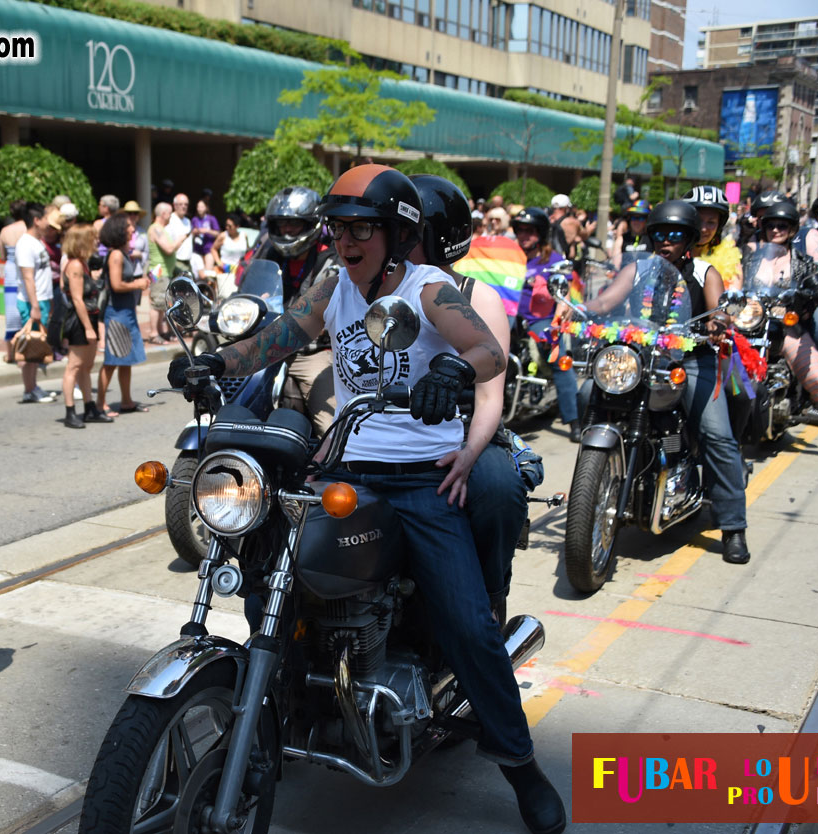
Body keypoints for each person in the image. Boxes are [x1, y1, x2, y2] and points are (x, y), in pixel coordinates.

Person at [170, 164, 565, 834]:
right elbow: (283, 336)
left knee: (469, 627)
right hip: (349, 467)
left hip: (420, 479)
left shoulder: (431, 290)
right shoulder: (332, 284)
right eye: (339, 228)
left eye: (360, 229)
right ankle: (283, 698)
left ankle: (520, 765)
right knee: (273, 569)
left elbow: (489, 357)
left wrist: (449, 368)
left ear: (393, 234)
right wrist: (219, 361)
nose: (345, 241)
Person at [586, 200, 754, 561]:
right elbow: (607, 301)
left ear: (689, 238)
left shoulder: (705, 271)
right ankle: (593, 482)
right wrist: (579, 307)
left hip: (691, 358)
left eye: (675, 234)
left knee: (716, 434)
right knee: (591, 388)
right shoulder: (638, 268)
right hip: (640, 355)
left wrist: (717, 321)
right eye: (660, 233)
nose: (666, 241)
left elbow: (720, 308)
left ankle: (733, 527)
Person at [410, 174, 529, 625]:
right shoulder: (372, 292)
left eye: (408, 233)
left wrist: (468, 455)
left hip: (463, 431)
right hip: (390, 428)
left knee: (498, 490)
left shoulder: (479, 298)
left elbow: (489, 397)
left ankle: (489, 601)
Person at [753, 201, 818, 466]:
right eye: (771, 225)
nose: (776, 230)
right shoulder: (750, 255)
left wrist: (816, 290)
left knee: (817, 380)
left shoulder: (803, 259)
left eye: (783, 226)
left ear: (792, 230)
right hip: (751, 327)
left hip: (787, 327)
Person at [242, 186, 339, 437]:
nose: (286, 230)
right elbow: (247, 285)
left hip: (311, 351)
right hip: (269, 345)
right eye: (281, 224)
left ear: (311, 224)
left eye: (293, 224)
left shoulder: (331, 257)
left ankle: (340, 459)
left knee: (332, 422)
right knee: (228, 394)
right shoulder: (268, 252)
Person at [511, 207, 581, 438]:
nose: (524, 236)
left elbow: (565, 296)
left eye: (529, 231)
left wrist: (556, 324)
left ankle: (573, 419)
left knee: (558, 357)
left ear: (540, 233)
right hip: (507, 318)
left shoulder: (554, 260)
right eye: (520, 230)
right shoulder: (510, 257)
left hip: (539, 321)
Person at [95, 215, 150, 416]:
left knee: (125, 360)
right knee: (112, 361)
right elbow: (116, 285)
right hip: (117, 314)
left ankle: (126, 401)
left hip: (126, 312)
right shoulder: (116, 255)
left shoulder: (123, 253)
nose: (132, 228)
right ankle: (100, 404)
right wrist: (138, 284)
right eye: (128, 226)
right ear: (119, 230)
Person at [60, 224, 110, 429]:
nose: (96, 241)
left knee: (86, 367)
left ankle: (89, 408)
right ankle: (70, 411)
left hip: (88, 317)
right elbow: (78, 300)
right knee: (73, 367)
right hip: (80, 321)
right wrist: (89, 328)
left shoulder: (82, 264)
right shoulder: (75, 266)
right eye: (93, 238)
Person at [15, 204, 58, 403]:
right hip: (32, 301)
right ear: (36, 220)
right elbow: (27, 277)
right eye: (45, 219)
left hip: (41, 300)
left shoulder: (36, 242)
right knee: (31, 344)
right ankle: (29, 389)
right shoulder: (25, 244)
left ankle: (33, 387)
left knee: (37, 345)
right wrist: (34, 306)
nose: (48, 223)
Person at [686, 186, 741, 290]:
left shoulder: (730, 259)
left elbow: (733, 297)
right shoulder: (675, 253)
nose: (703, 229)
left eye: (711, 222)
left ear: (719, 226)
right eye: (698, 220)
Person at [147, 202, 182, 344]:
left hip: (163, 271)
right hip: (158, 271)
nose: (171, 216)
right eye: (169, 213)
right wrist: (180, 240)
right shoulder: (156, 229)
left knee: (163, 303)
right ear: (163, 214)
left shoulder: (160, 228)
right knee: (157, 302)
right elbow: (168, 249)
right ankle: (154, 334)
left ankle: (161, 332)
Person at [0, 200, 28, 362]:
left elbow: (2, 256)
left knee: (11, 313)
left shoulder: (5, 231)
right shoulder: (28, 229)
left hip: (10, 271)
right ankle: (26, 349)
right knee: (26, 308)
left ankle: (10, 353)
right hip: (25, 270)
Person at [611, 199, 652, 267]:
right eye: (634, 218)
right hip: (627, 275)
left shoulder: (652, 238)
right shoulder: (622, 239)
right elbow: (616, 264)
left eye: (641, 218)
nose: (636, 222)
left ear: (646, 220)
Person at [210, 212, 250, 278]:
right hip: (225, 270)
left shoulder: (244, 235)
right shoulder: (223, 236)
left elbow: (247, 251)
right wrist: (219, 263)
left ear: (237, 226)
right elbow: (213, 249)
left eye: (230, 226)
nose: (227, 227)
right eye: (226, 225)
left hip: (240, 270)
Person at [169, 193, 195, 270]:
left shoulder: (188, 221)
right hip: (176, 262)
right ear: (174, 205)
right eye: (181, 204)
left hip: (188, 262)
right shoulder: (170, 220)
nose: (184, 207)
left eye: (186, 204)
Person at [191, 197, 220, 263]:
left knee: (208, 271)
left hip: (208, 249)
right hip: (197, 249)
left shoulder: (212, 219)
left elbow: (218, 234)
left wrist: (207, 231)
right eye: (198, 207)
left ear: (206, 208)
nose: (199, 209)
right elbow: (190, 234)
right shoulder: (194, 219)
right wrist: (194, 232)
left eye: (201, 207)